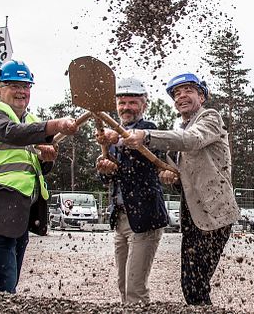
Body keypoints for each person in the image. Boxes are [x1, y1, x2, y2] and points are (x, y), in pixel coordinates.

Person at [124, 72, 240, 306]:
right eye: (177, 93)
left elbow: (191, 140)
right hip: (192, 215)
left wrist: (146, 135)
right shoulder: (180, 132)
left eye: (188, 90)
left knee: (194, 283)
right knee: (192, 282)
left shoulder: (209, 118)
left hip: (215, 214)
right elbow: (182, 176)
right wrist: (171, 175)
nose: (181, 96)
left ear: (202, 96)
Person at [0, 59, 78, 293]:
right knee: (3, 282)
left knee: (10, 279)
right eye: (14, 85)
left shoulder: (29, 121)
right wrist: (55, 124)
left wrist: (44, 158)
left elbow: (33, 167)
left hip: (20, 208)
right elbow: (11, 133)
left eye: (26, 86)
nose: (21, 91)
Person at [95, 77, 168, 304]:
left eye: (132, 103)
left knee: (135, 288)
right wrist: (105, 168)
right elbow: (108, 176)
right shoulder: (111, 139)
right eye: (122, 103)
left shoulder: (150, 131)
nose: (126, 107)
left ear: (144, 105)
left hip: (144, 218)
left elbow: (139, 152)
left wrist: (115, 138)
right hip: (120, 218)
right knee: (123, 285)